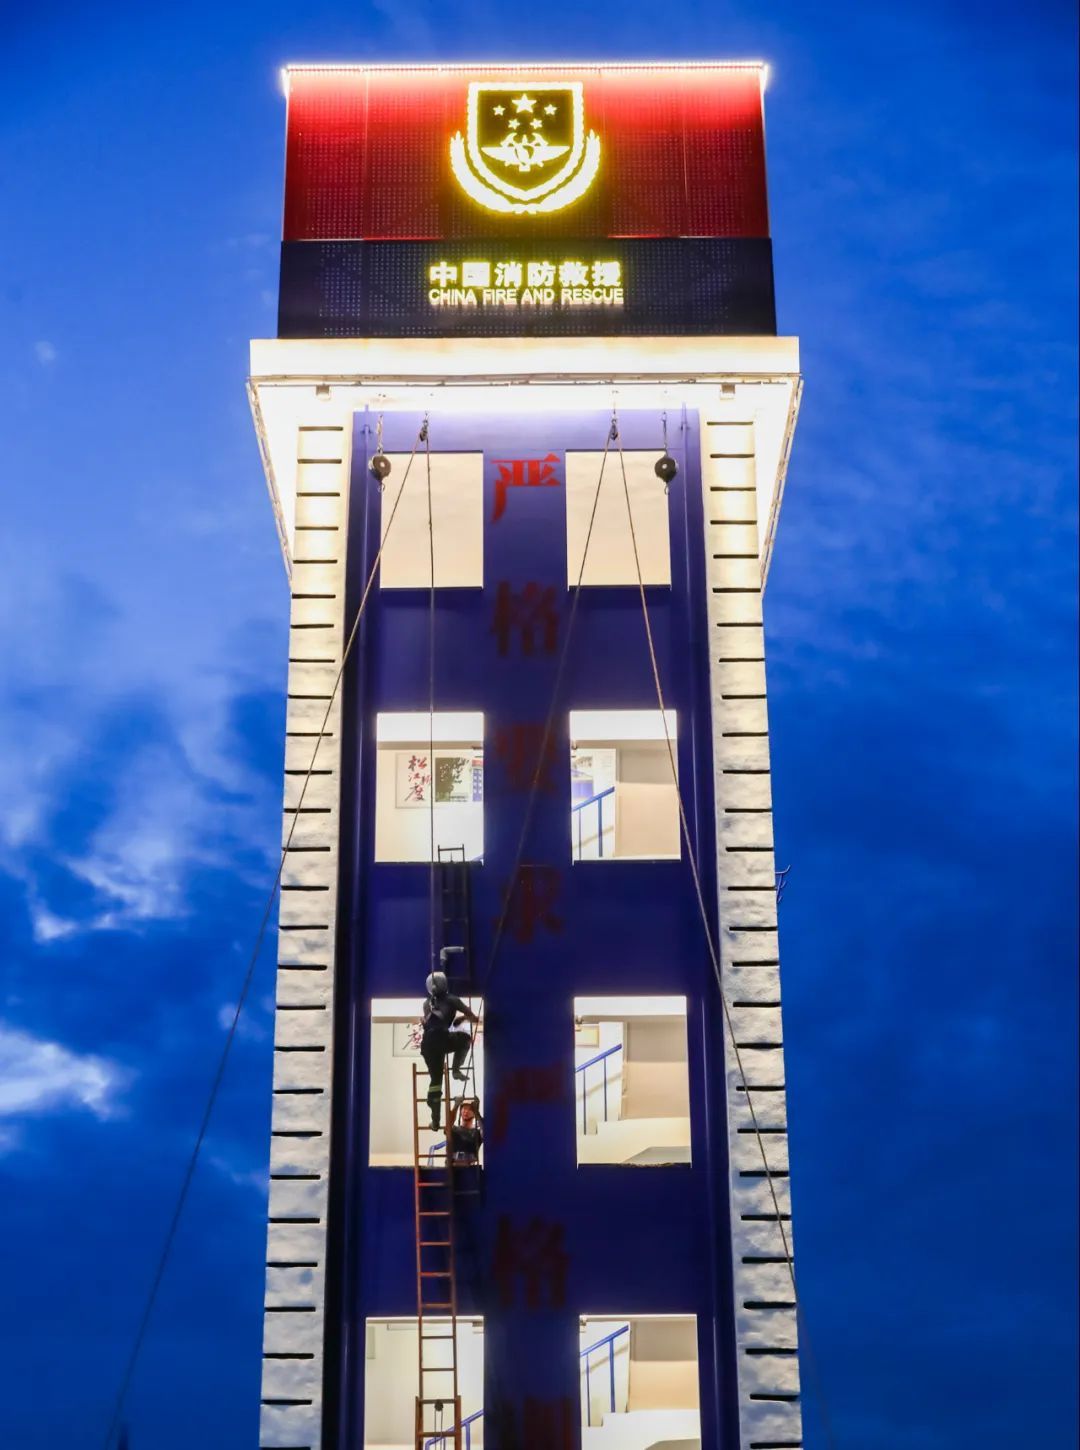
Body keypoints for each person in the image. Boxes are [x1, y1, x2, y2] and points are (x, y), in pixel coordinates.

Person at [421, 970, 478, 1131]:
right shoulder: (452, 999)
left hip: (428, 1045)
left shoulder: (426, 1003)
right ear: (445, 984)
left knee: (436, 1082)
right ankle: (456, 1070)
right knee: (465, 1039)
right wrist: (464, 1017)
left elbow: (431, 1023)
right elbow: (474, 1018)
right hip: (442, 1040)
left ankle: (435, 1121)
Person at [449, 1098, 484, 1166]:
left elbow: (486, 1133)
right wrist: (456, 1106)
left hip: (470, 1168)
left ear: (474, 1113)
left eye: (470, 1109)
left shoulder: (477, 1133)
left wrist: (477, 1114)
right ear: (460, 1111)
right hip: (454, 1167)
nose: (466, 1111)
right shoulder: (454, 1129)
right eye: (464, 1108)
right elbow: (448, 1125)